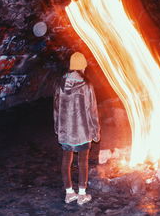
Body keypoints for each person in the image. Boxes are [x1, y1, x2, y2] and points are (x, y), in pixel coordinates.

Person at [54, 52, 100, 205]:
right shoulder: (86, 85)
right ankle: (82, 195)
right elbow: (91, 110)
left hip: (66, 131)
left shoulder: (60, 83)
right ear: (82, 67)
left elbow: (56, 108)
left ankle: (69, 193)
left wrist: (57, 128)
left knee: (66, 161)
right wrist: (95, 131)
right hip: (82, 131)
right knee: (82, 162)